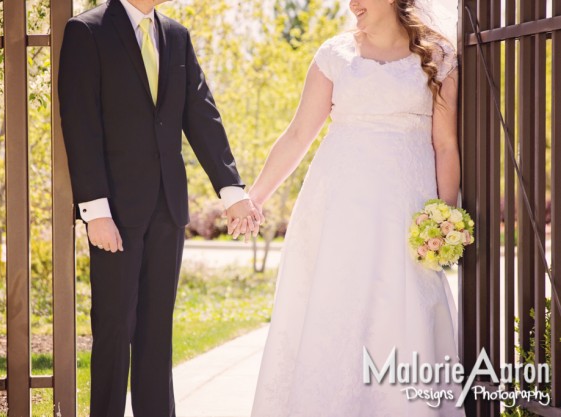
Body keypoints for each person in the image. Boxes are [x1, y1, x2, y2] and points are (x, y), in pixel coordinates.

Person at [247, 0, 467, 415]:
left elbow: (446, 145)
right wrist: (253, 197)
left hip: (405, 211)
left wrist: (444, 216)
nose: (352, 4)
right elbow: (297, 135)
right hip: (337, 210)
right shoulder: (335, 55)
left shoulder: (437, 56)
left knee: (400, 310)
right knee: (337, 308)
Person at [57, 0, 262, 415]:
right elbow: (79, 122)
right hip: (113, 213)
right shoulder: (87, 31)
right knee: (114, 332)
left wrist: (232, 191)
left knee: (156, 335)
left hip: (168, 209)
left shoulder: (177, 36)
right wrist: (95, 211)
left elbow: (202, 115)